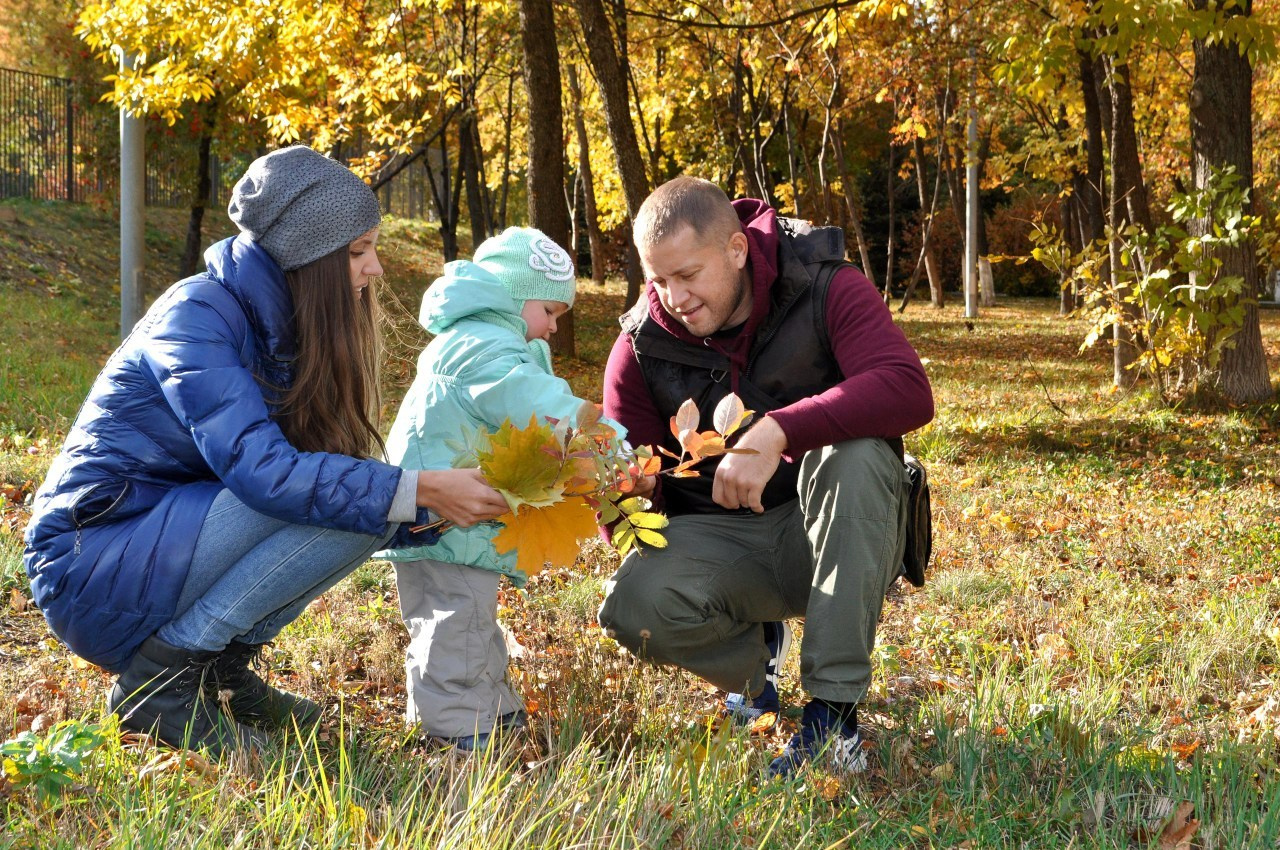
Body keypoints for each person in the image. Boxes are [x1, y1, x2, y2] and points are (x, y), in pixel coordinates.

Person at [22, 145, 509, 757]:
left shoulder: (283, 326)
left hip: (163, 544)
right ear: (308, 256)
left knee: (367, 497)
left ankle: (219, 672)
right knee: (368, 492)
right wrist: (417, 490)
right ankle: (164, 681)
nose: (375, 268)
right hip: (92, 562)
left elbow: (326, 486)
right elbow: (264, 475)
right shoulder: (196, 316)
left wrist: (435, 506)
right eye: (358, 251)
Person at [598, 176, 934, 778]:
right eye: (660, 280)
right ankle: (755, 664)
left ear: (736, 249)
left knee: (855, 454)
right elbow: (627, 515)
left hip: (842, 529)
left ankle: (833, 717)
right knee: (632, 604)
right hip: (729, 546)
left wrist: (777, 430)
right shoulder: (640, 345)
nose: (674, 298)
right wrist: (629, 493)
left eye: (688, 275)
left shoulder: (823, 283)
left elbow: (907, 388)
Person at [378, 226, 614, 751]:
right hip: (443, 514)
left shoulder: (483, 340)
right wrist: (610, 446)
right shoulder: (484, 348)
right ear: (513, 294)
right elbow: (537, 405)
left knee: (469, 616)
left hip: (452, 514)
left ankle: (490, 710)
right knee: (454, 622)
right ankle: (458, 730)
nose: (553, 327)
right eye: (549, 310)